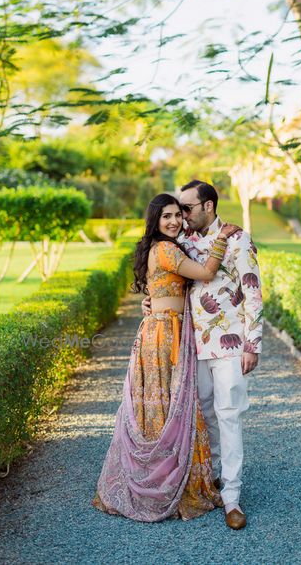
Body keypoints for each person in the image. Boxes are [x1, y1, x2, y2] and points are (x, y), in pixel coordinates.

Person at [91, 193, 238, 522]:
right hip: (164, 337)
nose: (173, 221)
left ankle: (164, 477)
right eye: (166, 216)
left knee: (164, 406)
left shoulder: (160, 248)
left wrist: (151, 304)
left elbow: (160, 290)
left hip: (160, 331)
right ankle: (165, 485)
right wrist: (222, 238)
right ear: (155, 220)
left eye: (177, 215)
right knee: (170, 407)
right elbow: (205, 273)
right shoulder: (167, 248)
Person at [142, 180, 264, 530]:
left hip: (229, 344)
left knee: (228, 415)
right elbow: (166, 278)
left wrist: (252, 344)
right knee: (203, 413)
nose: (181, 215)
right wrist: (148, 300)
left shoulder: (237, 239)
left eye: (187, 208)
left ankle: (233, 499)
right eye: (178, 210)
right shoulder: (181, 242)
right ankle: (209, 482)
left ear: (208, 206)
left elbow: (253, 292)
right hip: (191, 345)